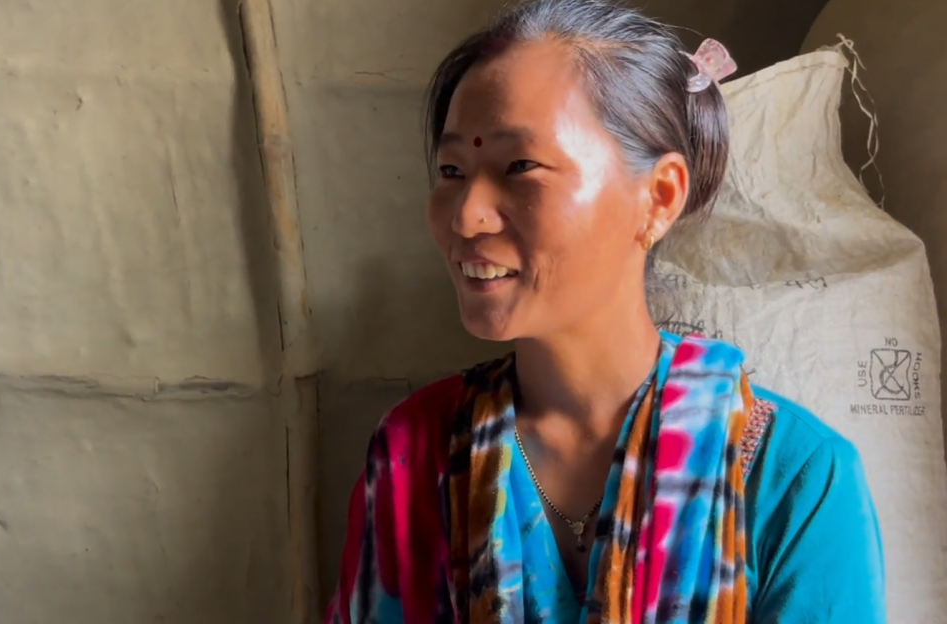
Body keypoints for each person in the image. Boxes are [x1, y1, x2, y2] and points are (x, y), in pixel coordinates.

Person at [325, 1, 885, 622]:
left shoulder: (794, 478)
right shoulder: (416, 452)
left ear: (659, 197)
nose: (466, 216)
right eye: (452, 170)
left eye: (520, 167)